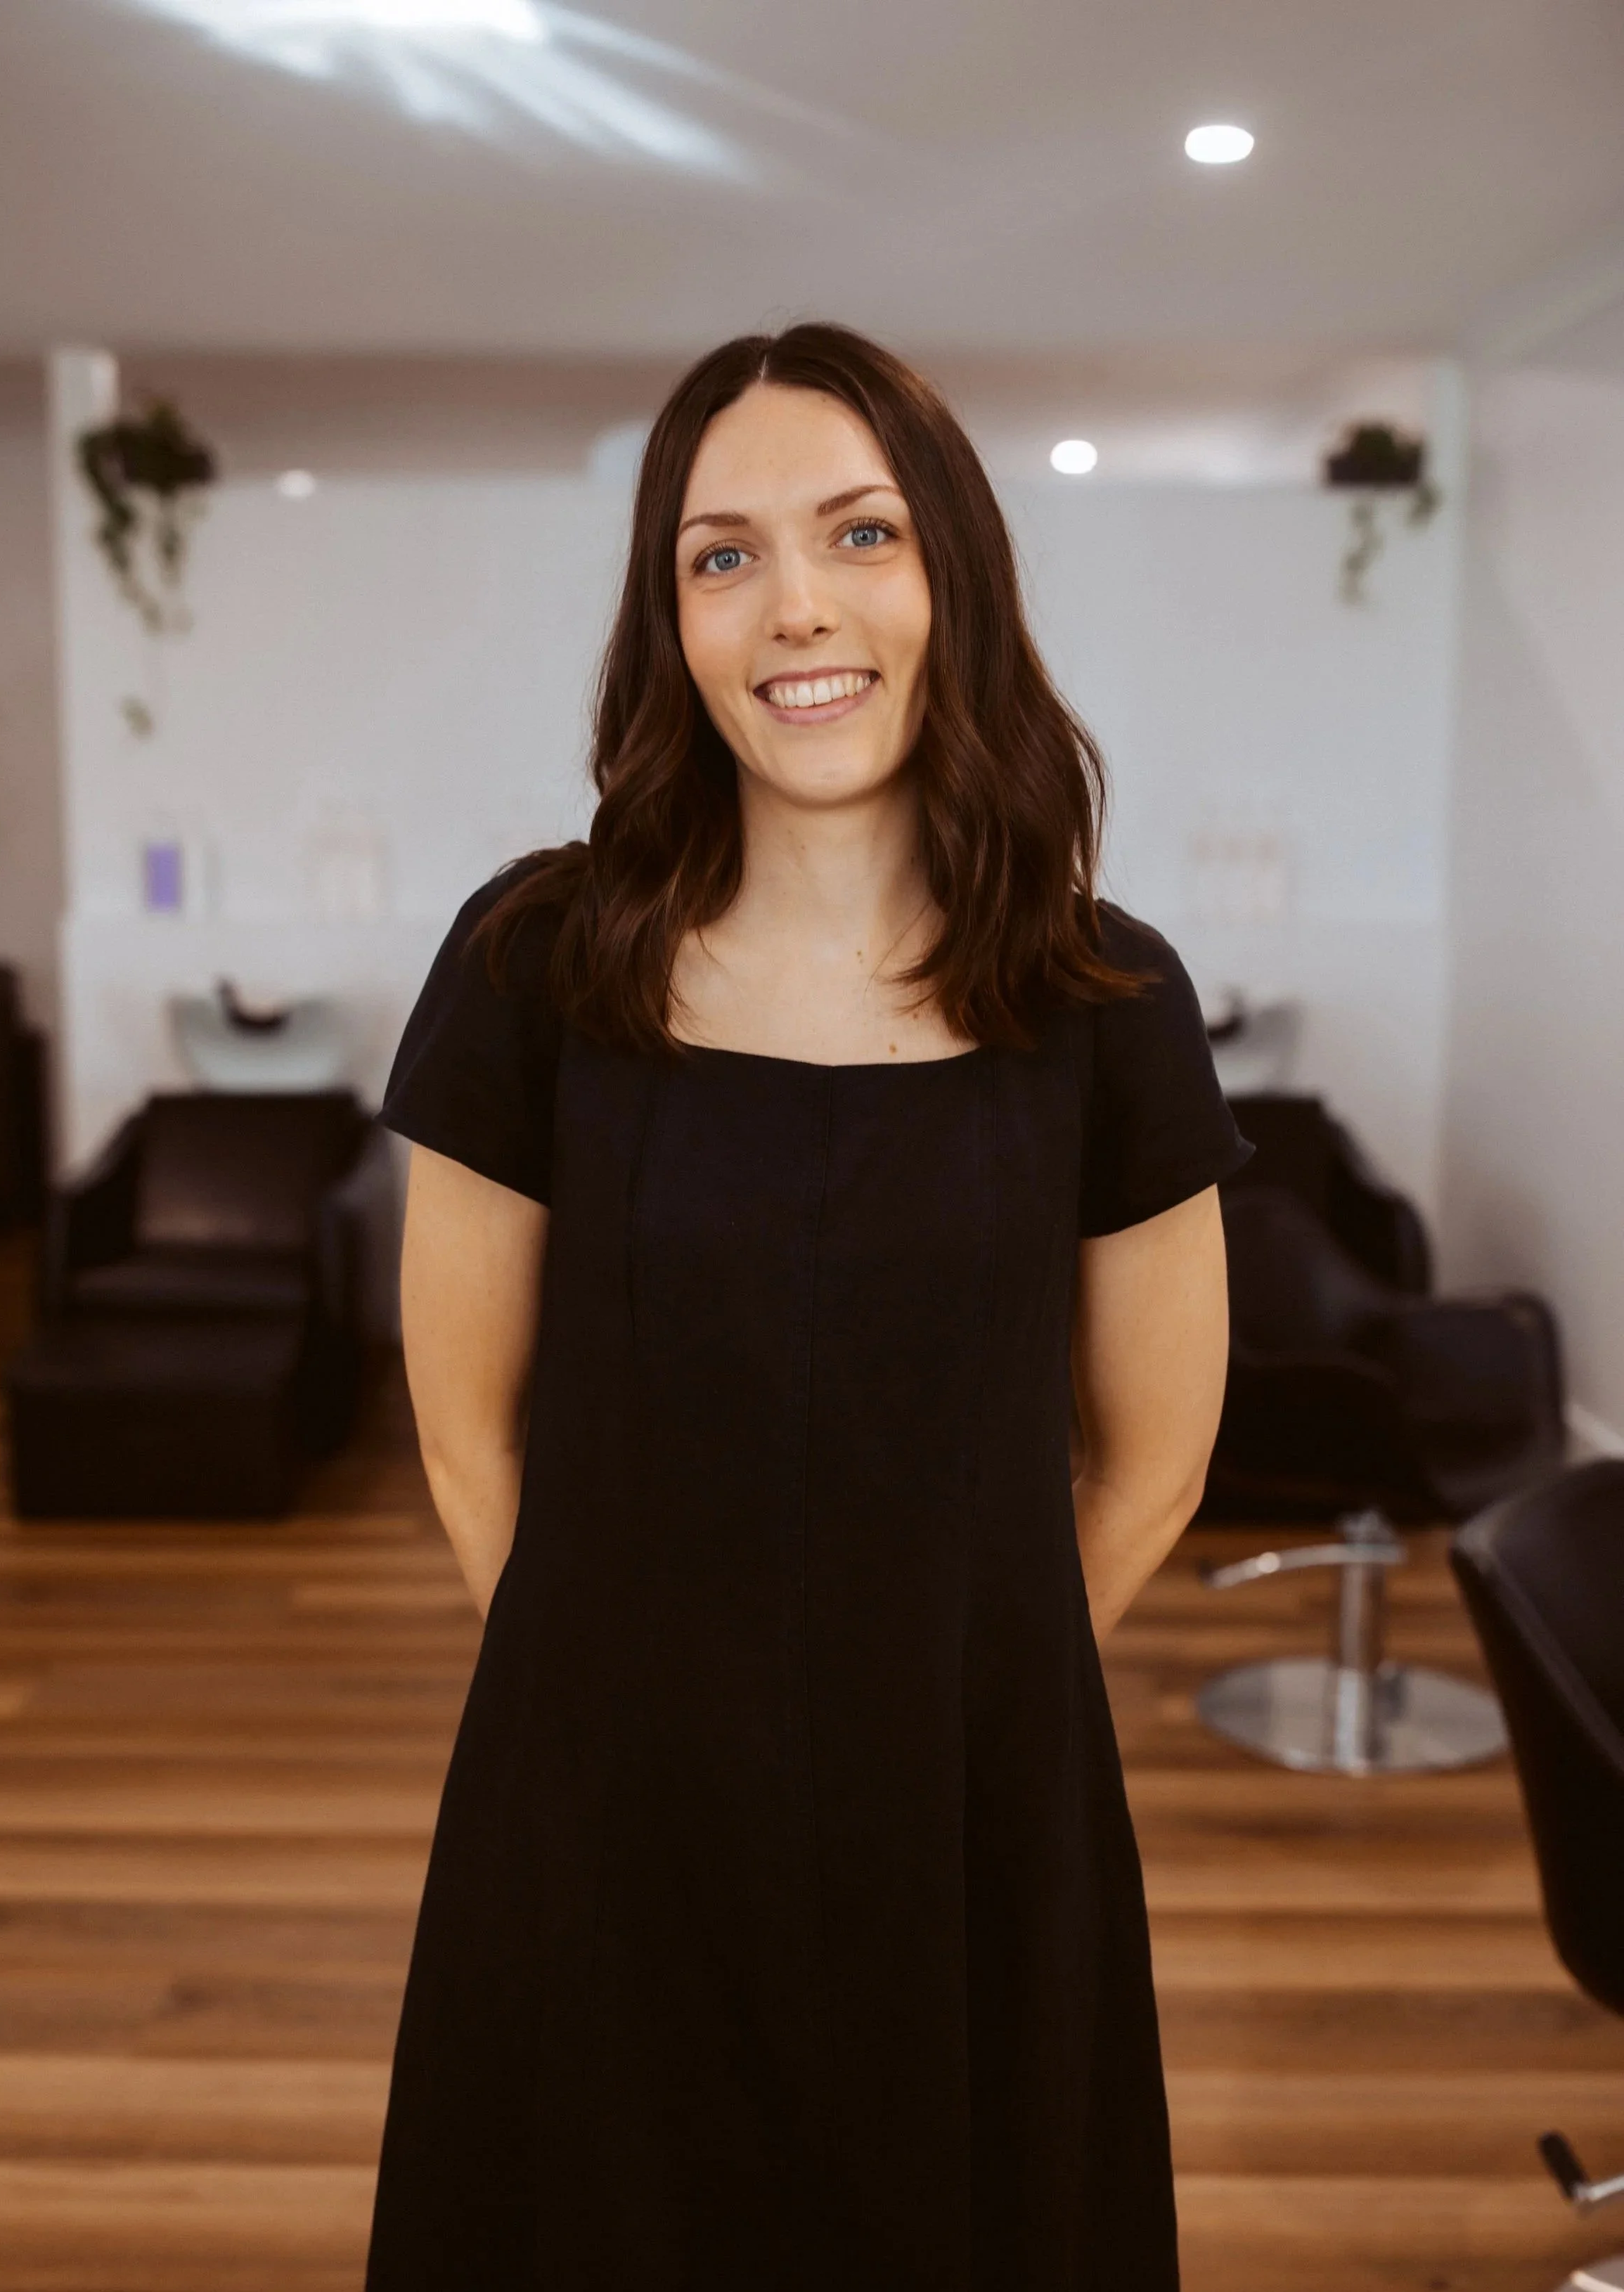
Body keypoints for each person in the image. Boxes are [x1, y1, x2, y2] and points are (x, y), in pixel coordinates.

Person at [366, 321, 1248, 2292]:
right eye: (723, 552)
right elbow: (463, 1424)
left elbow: (1161, 1455)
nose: (796, 609)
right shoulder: (535, 961)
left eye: (859, 533)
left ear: (952, 576)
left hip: (974, 1809)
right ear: (669, 617)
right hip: (601, 1801)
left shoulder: (1109, 1001)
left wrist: (931, 1686)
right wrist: (635, 1709)